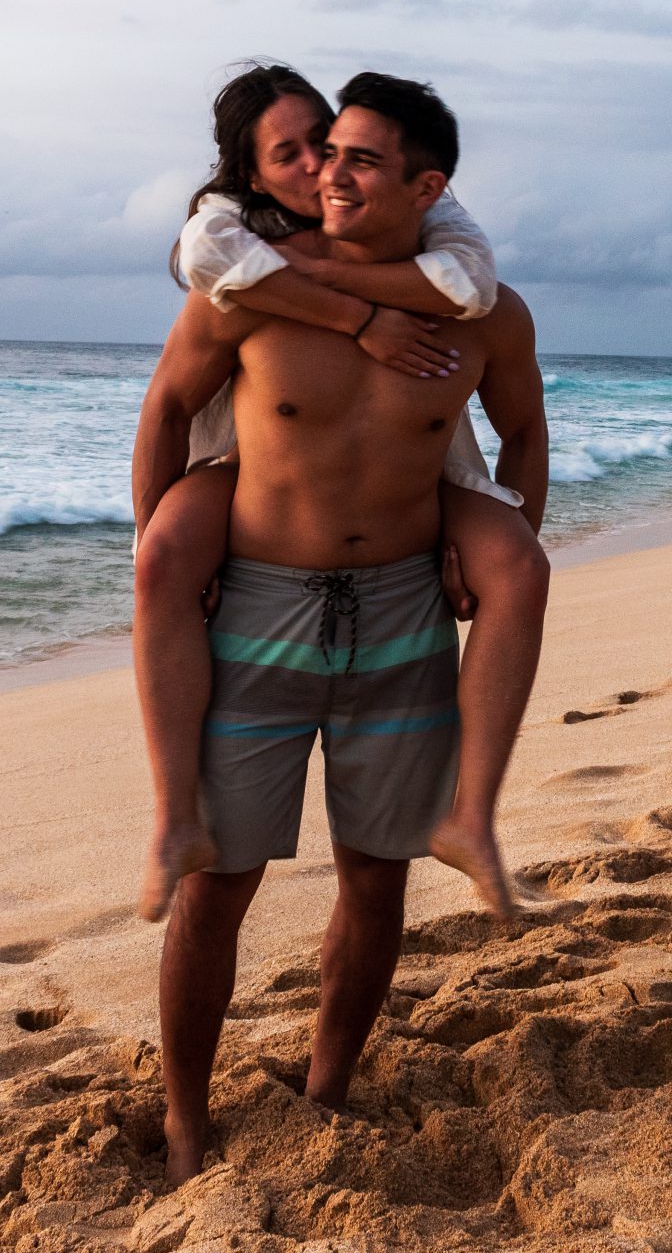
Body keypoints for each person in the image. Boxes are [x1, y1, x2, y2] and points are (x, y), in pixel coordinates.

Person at [132, 74, 549, 1184]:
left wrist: (489, 540)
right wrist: (178, 560)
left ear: (428, 187)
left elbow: (524, 430)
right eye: (316, 156)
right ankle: (184, 1122)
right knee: (219, 882)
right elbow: (168, 410)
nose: (326, 171)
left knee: (376, 877)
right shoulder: (246, 292)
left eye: (354, 157)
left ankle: (327, 1092)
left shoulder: (481, 310)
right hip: (261, 605)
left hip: (405, 612)